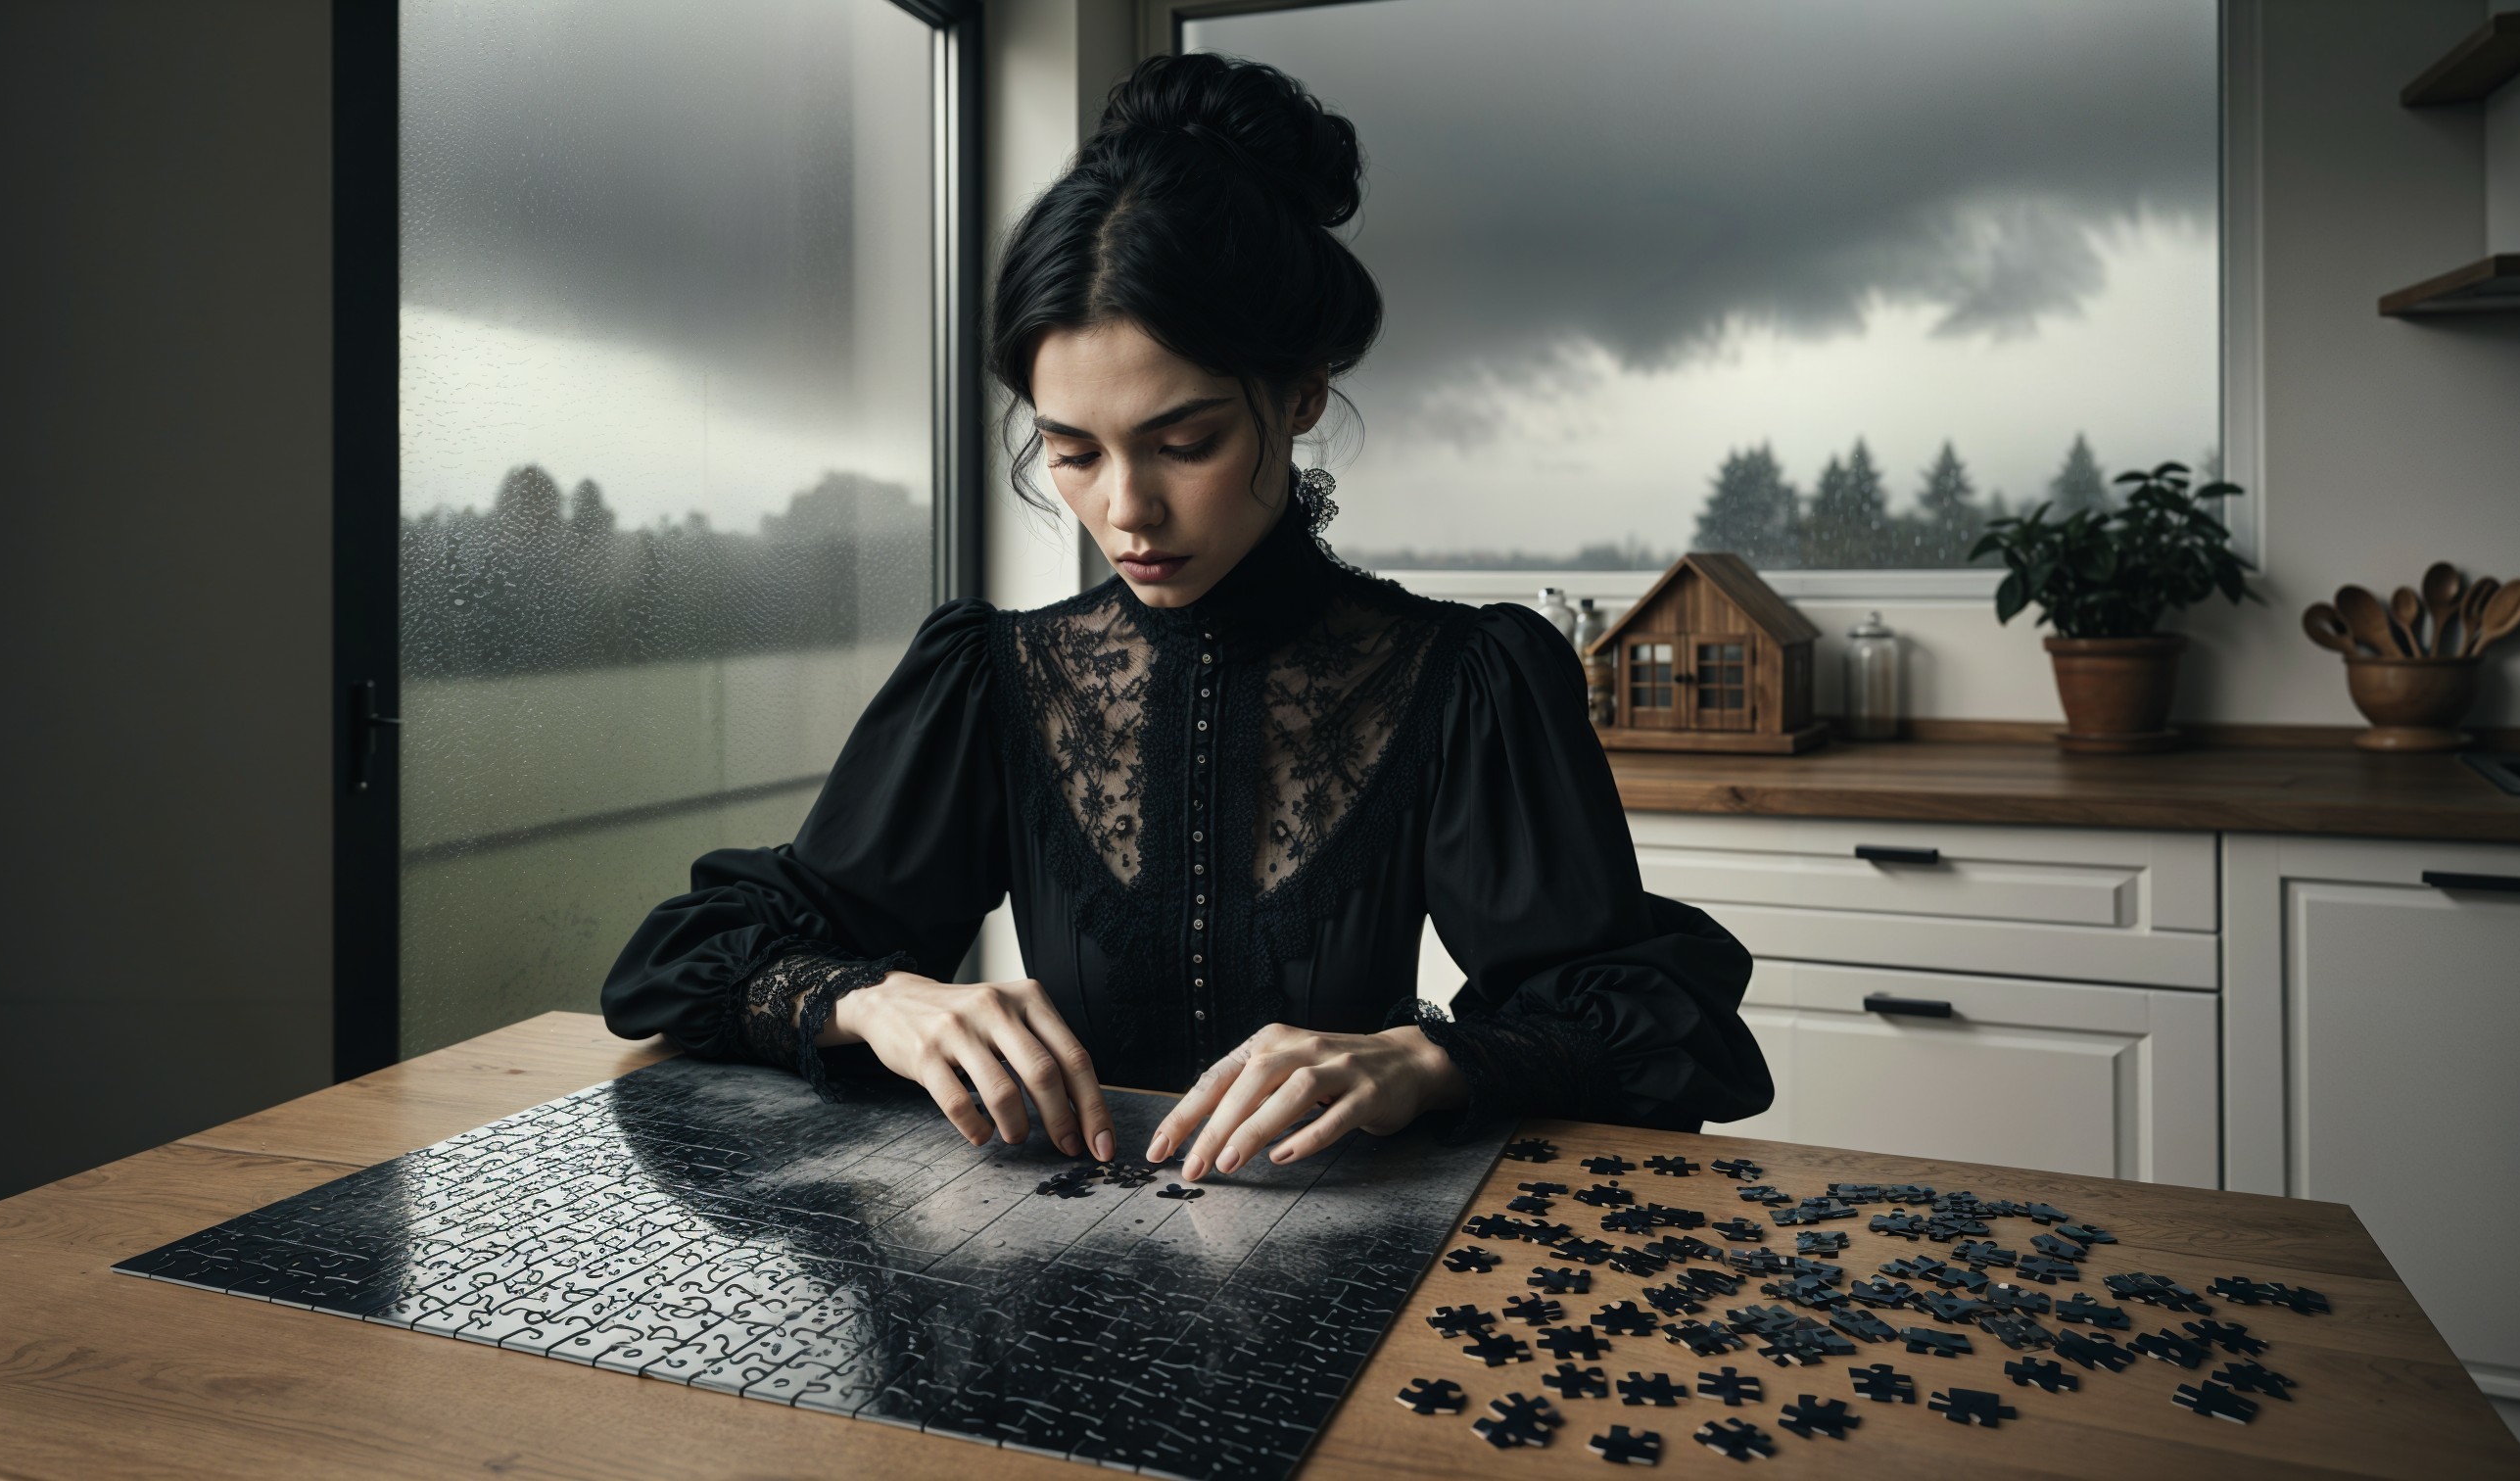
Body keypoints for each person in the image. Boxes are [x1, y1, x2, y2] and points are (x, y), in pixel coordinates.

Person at [599, 52, 1772, 1181]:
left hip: (1354, 1295)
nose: (1125, 509)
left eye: (1185, 442)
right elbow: (680, 961)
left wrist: (1426, 1060)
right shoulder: (989, 680)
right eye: (1071, 452)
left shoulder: (1466, 679)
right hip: (1034, 1290)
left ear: (1303, 390)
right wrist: (872, 998)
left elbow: (1658, 1026)